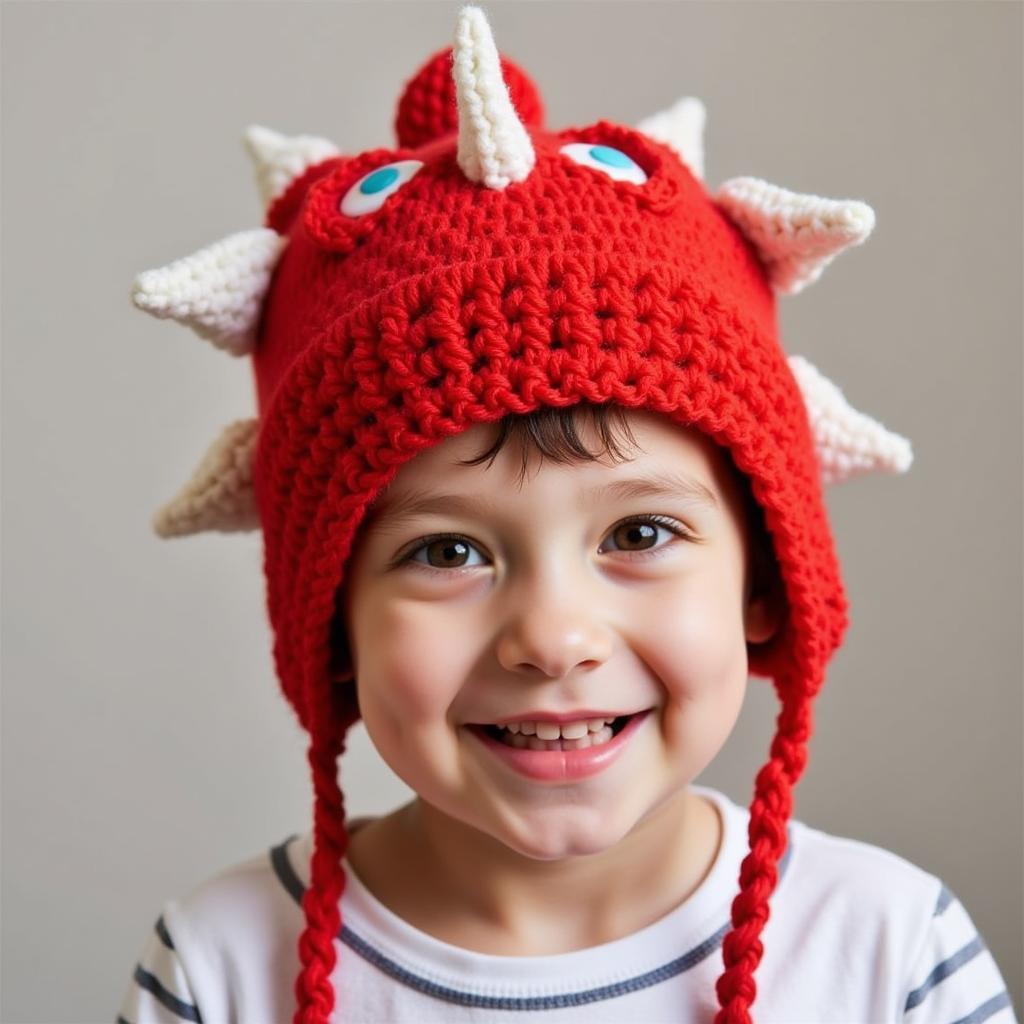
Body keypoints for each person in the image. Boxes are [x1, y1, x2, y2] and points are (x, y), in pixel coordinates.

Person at [117, 6, 1017, 1023]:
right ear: (329, 621)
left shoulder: (890, 948)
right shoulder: (222, 966)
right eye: (447, 549)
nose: (552, 638)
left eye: (637, 534)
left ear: (763, 578)